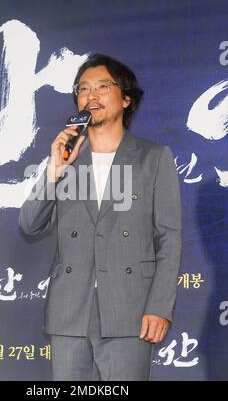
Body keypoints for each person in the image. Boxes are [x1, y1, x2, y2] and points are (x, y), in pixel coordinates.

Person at [19, 54, 181, 381]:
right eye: (83, 89)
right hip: (70, 313)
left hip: (130, 309)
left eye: (102, 86)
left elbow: (169, 239)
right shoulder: (65, 159)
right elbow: (29, 224)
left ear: (126, 98)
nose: (90, 95)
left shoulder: (154, 158)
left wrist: (159, 307)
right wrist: (54, 170)